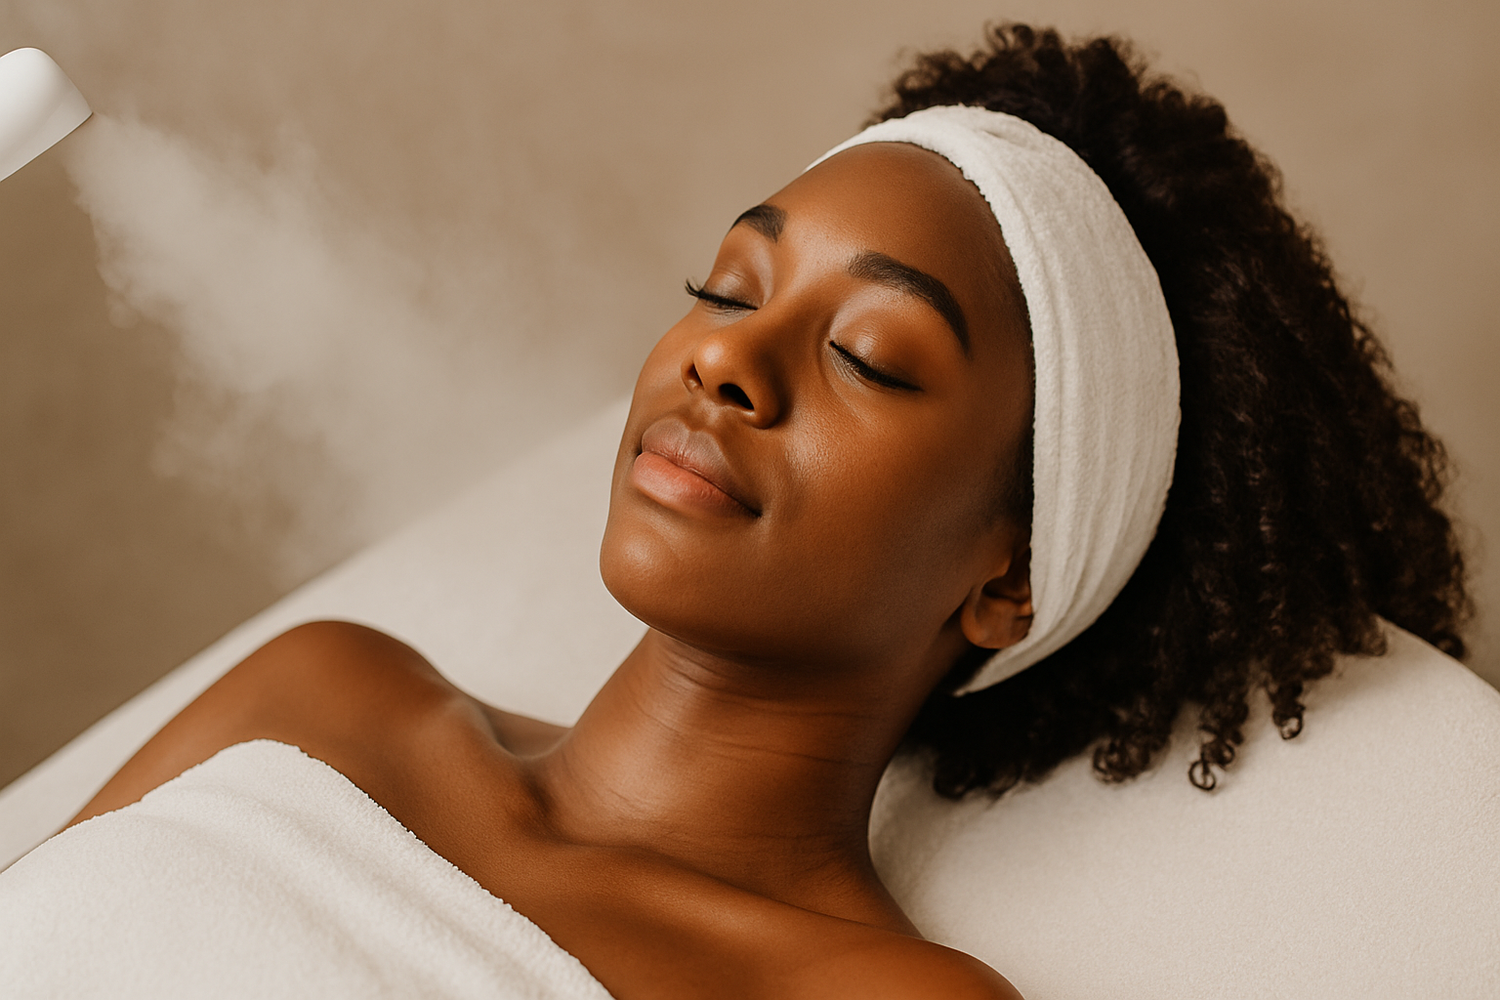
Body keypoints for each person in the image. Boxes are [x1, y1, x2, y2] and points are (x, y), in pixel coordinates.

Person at [0, 23, 1470, 1000]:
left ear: (1005, 578)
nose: (724, 357)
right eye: (725, 285)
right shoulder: (326, 695)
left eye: (871, 359)